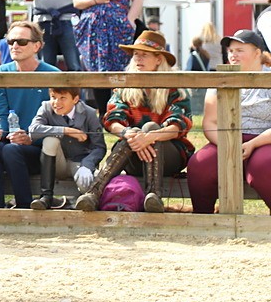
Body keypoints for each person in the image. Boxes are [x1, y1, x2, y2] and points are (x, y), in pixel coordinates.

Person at [75, 31, 193, 213]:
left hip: (169, 156)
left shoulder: (174, 88)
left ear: (158, 60)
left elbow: (178, 125)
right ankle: (93, 193)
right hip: (134, 153)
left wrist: (150, 136)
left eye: (144, 54)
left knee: (149, 127)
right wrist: (127, 133)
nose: (138, 58)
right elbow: (112, 119)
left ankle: (154, 195)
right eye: (135, 54)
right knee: (131, 133)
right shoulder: (124, 87)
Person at [186, 29, 271, 213]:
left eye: (240, 50)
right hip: (225, 140)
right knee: (199, 164)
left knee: (265, 166)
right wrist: (229, 143)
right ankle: (203, 218)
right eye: (231, 51)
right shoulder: (219, 78)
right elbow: (210, 122)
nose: (233, 55)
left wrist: (253, 143)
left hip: (264, 139)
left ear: (257, 53)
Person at [0, 21, 61, 208]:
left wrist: (30, 137)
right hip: (10, 141)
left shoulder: (54, 74)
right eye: (10, 41)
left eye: (21, 42)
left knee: (10, 150)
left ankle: (24, 206)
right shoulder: (1, 72)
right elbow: (1, 112)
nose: (15, 46)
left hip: (41, 148)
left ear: (37, 46)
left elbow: (58, 119)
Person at [72, 0, 144, 117]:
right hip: (92, 33)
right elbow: (77, 1)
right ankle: (103, 114)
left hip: (118, 31)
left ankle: (121, 114)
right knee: (96, 71)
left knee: (120, 70)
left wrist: (130, 21)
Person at [27, 86, 105, 209]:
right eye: (53, 97)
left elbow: (99, 147)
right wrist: (66, 130)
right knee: (50, 140)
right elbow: (33, 130)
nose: (56, 102)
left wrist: (87, 165)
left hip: (80, 162)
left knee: (87, 185)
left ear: (75, 99)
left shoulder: (89, 113)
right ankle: (46, 196)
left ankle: (79, 201)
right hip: (57, 163)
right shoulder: (46, 107)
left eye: (62, 98)